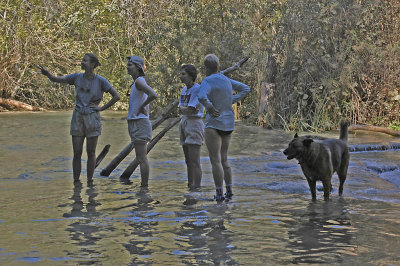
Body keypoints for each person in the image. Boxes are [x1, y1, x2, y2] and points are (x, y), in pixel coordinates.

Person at [38, 53, 120, 183]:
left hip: (92, 118)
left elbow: (116, 96)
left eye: (85, 61)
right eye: (82, 60)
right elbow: (57, 79)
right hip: (77, 117)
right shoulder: (76, 77)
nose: (82, 63)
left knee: (91, 152)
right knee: (77, 153)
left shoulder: (101, 81)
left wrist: (101, 108)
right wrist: (48, 74)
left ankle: (89, 181)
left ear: (92, 64)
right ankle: (76, 182)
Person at [198, 54, 250, 202]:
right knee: (224, 159)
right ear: (219, 67)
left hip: (214, 123)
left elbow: (201, 96)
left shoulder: (207, 80)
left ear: (206, 68)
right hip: (228, 123)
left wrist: (209, 106)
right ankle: (230, 191)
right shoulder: (226, 79)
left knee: (215, 160)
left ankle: (219, 194)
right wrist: (230, 101)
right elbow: (245, 89)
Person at [126, 55, 158, 187]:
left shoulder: (139, 81)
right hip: (135, 122)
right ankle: (143, 187)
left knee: (142, 158)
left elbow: (153, 94)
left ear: (138, 67)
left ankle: (144, 188)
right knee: (140, 157)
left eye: (130, 65)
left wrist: (142, 106)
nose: (127, 67)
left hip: (140, 122)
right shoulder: (135, 83)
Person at [178, 64, 205, 190]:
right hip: (184, 123)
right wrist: (185, 109)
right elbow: (182, 109)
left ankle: (197, 188)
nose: (181, 76)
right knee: (188, 161)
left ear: (191, 76)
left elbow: (191, 109)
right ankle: (190, 186)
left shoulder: (197, 89)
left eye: (183, 74)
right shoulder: (184, 90)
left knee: (195, 162)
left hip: (194, 124)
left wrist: (184, 109)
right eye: (181, 74)